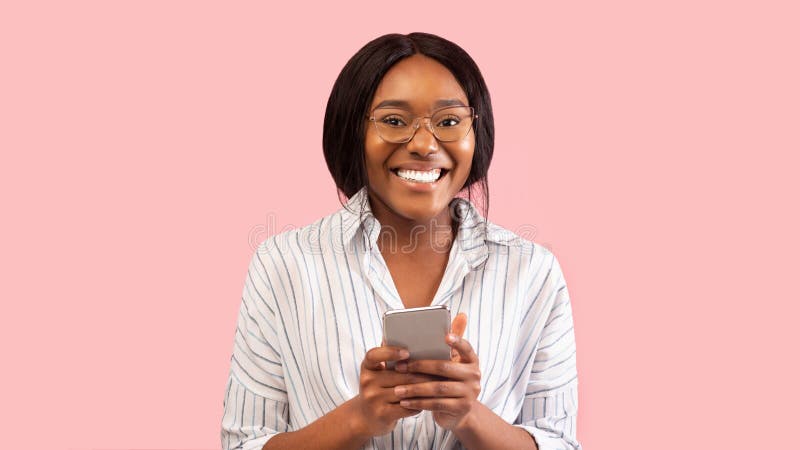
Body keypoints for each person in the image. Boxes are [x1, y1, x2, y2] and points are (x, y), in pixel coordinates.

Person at [221, 32, 581, 450]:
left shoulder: (533, 272)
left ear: (475, 133)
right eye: (394, 121)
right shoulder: (283, 265)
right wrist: (360, 417)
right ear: (354, 131)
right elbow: (243, 443)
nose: (425, 145)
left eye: (448, 122)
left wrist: (467, 415)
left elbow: (561, 443)